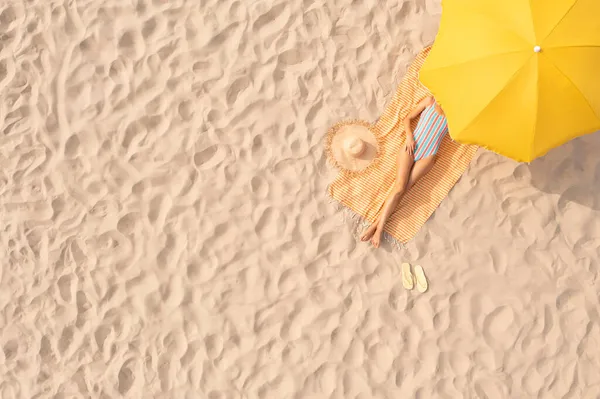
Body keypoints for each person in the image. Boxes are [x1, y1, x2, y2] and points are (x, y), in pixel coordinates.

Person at [361, 96, 448, 247]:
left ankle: (375, 226)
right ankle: (378, 229)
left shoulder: (455, 119)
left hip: (428, 156)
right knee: (399, 189)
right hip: (411, 146)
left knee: (404, 190)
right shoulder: (430, 100)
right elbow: (408, 118)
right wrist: (409, 136)